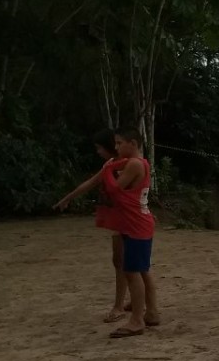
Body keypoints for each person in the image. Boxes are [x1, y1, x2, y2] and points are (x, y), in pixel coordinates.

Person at [54, 129, 131, 321]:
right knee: (123, 261)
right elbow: (91, 182)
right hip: (120, 217)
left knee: (123, 261)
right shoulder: (111, 164)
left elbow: (118, 190)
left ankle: (120, 306)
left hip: (128, 218)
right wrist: (68, 198)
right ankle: (133, 300)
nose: (98, 152)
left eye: (99, 148)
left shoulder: (126, 165)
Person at [99, 127, 159, 338]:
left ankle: (137, 320)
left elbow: (114, 189)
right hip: (138, 224)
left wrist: (107, 170)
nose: (116, 147)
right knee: (142, 270)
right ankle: (151, 312)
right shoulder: (139, 162)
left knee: (132, 272)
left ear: (132, 143)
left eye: (119, 143)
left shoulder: (134, 164)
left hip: (136, 226)